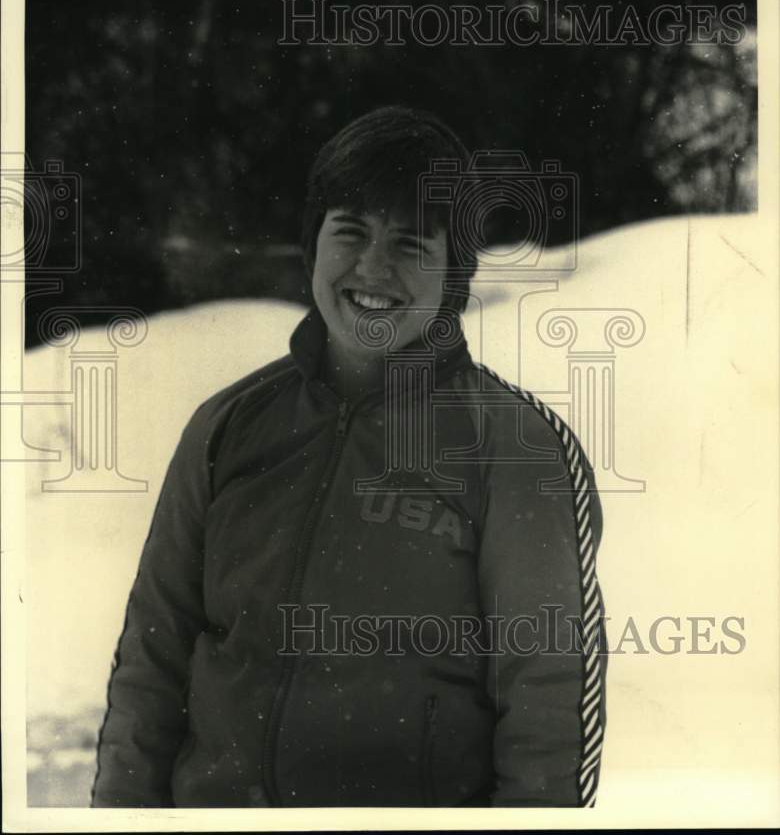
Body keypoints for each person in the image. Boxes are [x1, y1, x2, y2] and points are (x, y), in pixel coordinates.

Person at [91, 105, 607, 808]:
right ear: (312, 246)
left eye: (410, 243)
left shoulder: (516, 449)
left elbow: (550, 703)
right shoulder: (228, 425)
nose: (373, 267)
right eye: (351, 231)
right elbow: (151, 662)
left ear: (454, 272)